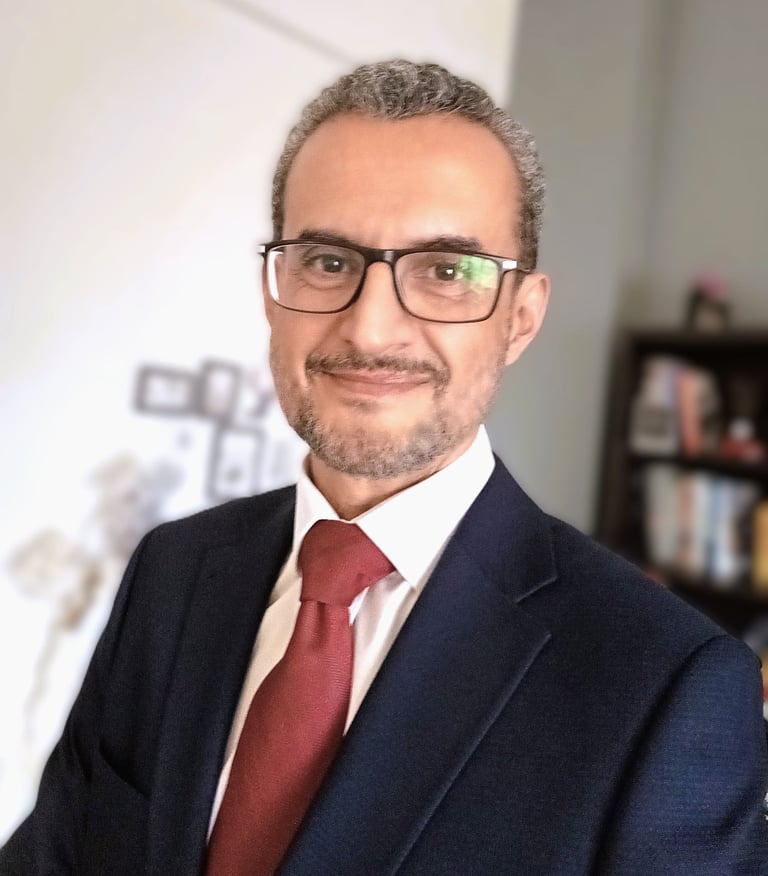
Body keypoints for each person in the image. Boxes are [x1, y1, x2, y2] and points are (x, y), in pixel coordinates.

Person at [1, 59, 766, 876]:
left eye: (446, 271)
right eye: (328, 261)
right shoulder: (174, 570)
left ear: (520, 317)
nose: (370, 329)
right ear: (272, 290)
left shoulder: (666, 685)